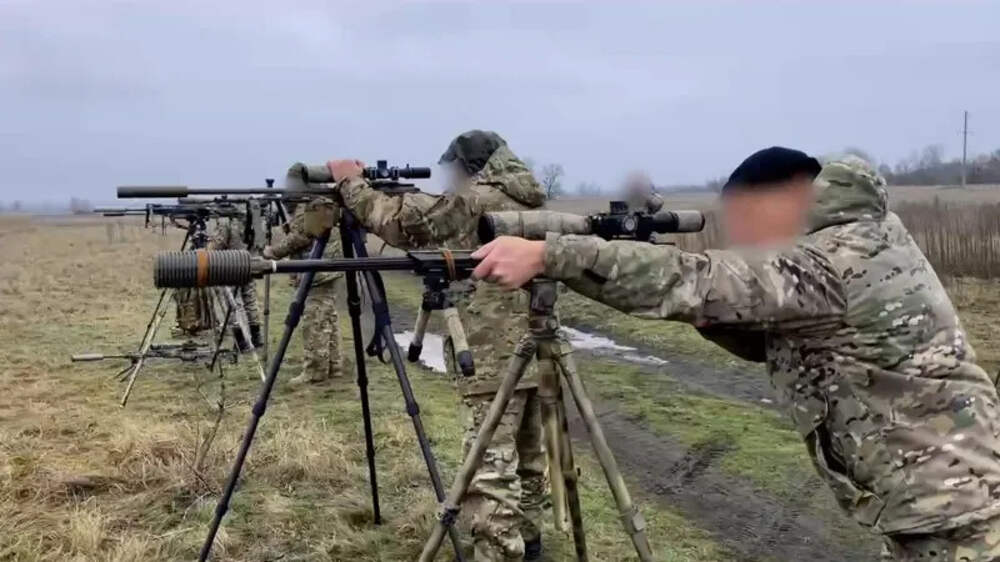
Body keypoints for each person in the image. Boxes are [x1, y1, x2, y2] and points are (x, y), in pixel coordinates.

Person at [471, 147, 1000, 562]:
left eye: (744, 220)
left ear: (784, 202)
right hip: (935, 503)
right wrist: (705, 315)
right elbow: (770, 337)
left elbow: (699, 280)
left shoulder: (837, 259)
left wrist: (550, 254)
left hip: (957, 512)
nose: (740, 238)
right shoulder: (862, 240)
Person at [326, 130, 549, 562]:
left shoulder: (474, 200)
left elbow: (401, 223)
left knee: (489, 467)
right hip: (538, 347)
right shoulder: (531, 200)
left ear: (469, 168)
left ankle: (499, 553)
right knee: (529, 457)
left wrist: (350, 183)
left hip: (489, 352)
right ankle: (530, 540)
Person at [263, 164, 345, 386]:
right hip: (326, 267)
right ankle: (334, 365)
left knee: (314, 320)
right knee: (327, 317)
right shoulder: (321, 199)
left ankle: (315, 371)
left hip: (317, 271)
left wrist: (272, 252)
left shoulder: (309, 204)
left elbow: (300, 237)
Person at [209, 215, 264, 349]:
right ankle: (256, 336)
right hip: (250, 263)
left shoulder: (226, 222)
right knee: (250, 300)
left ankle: (241, 340)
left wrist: (208, 246)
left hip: (231, 265)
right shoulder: (255, 219)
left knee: (233, 304)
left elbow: (216, 246)